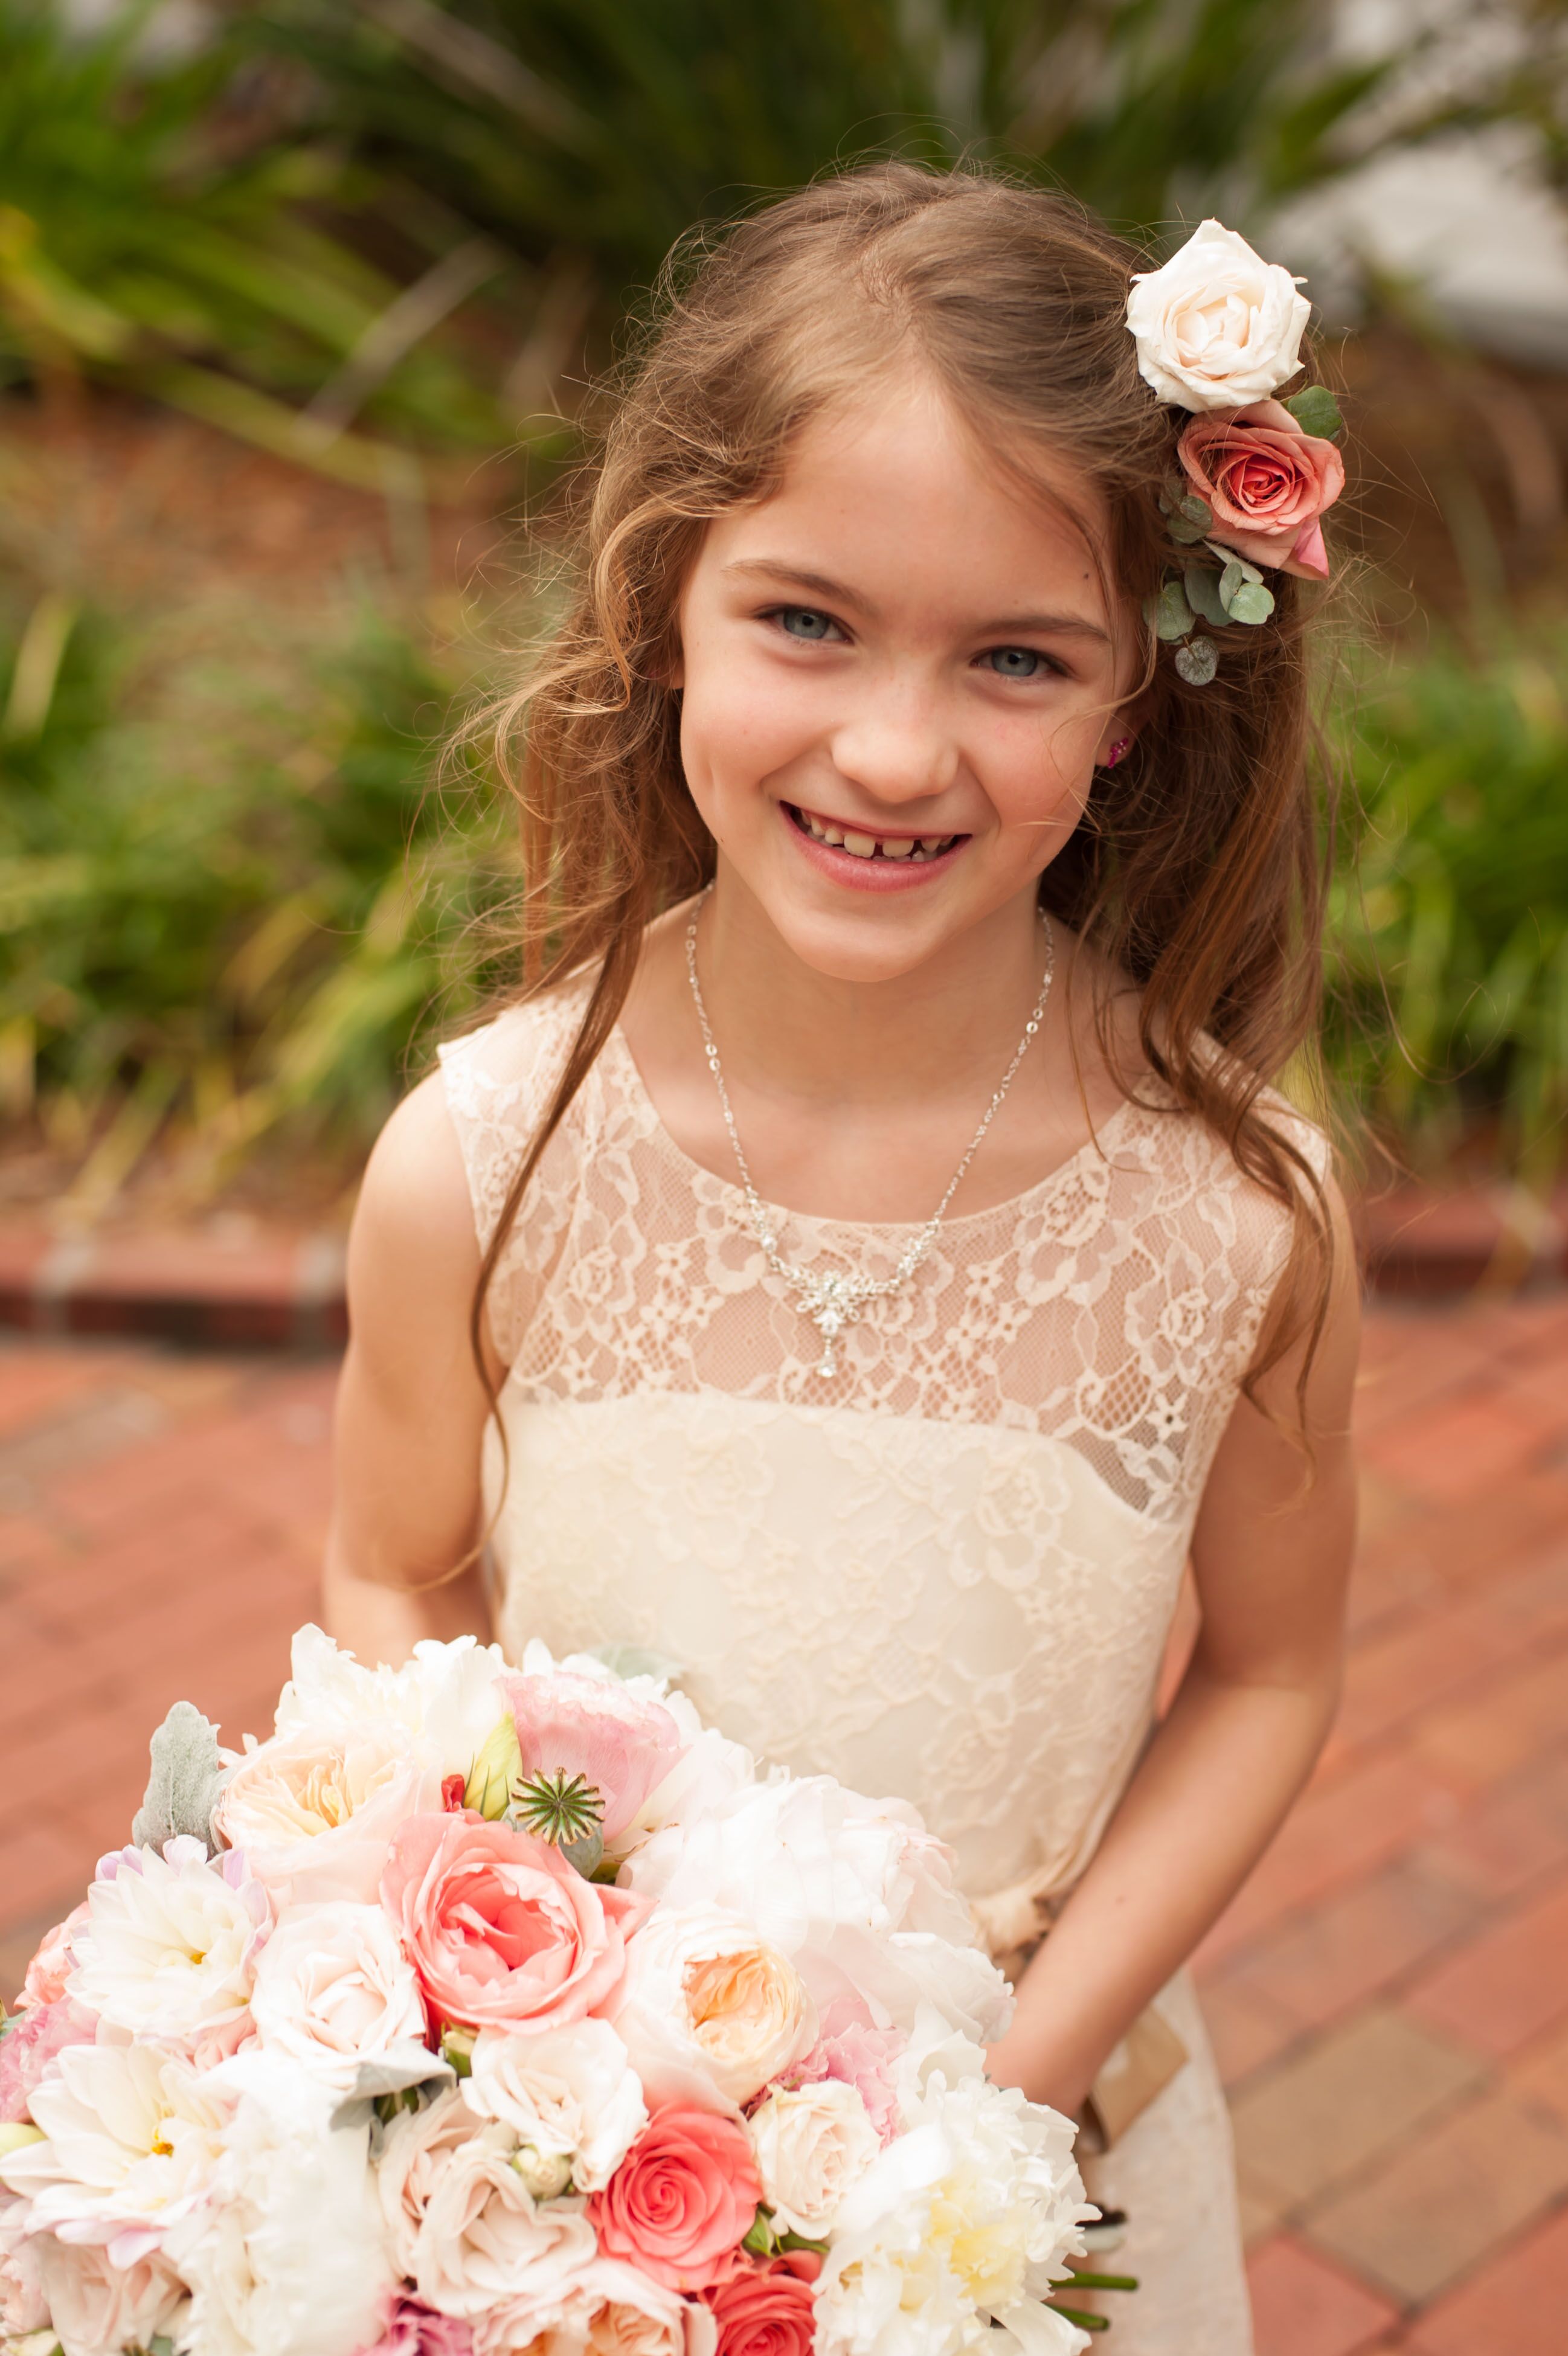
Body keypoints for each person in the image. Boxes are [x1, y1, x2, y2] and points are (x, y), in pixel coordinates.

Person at [324, 163, 1360, 2352]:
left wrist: (1010, 2084)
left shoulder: (1232, 1217)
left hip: (1027, 2187)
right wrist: (519, 1985)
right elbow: (397, 1568)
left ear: (1134, 699)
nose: (893, 750)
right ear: (662, 607)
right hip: (589, 2208)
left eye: (1013, 657)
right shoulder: (481, 1164)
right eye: (805, 620)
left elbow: (1266, 1669)